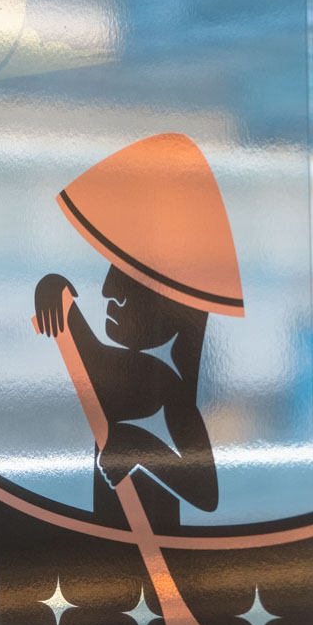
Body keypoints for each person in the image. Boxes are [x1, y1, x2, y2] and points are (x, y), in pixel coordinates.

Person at [31, 132, 244, 530]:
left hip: (147, 570)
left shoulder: (168, 391)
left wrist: (140, 448)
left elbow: (206, 491)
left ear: (174, 301)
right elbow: (87, 355)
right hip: (110, 567)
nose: (109, 289)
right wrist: (54, 289)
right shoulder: (131, 373)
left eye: (127, 275)